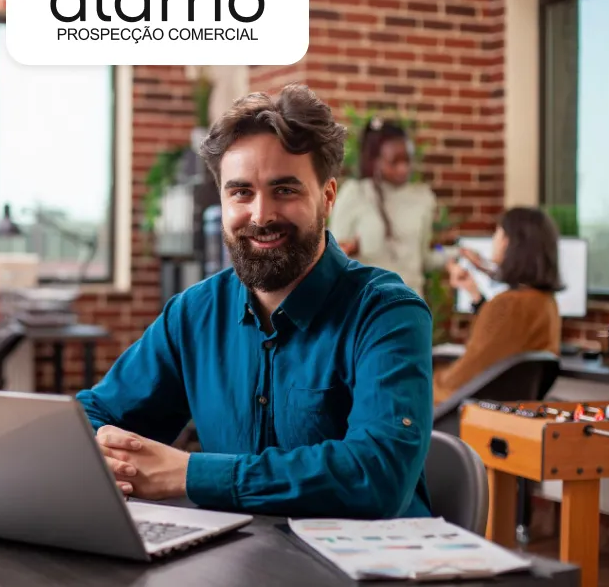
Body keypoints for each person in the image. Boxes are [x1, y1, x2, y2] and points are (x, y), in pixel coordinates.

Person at [76, 84, 435, 518]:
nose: (261, 215)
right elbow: (97, 414)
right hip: (240, 561)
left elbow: (378, 475)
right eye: (241, 192)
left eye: (284, 190)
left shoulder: (387, 313)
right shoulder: (194, 315)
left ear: (327, 197)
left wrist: (189, 474)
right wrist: (102, 452)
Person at [329, 118, 474, 297]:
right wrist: (347, 251)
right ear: (375, 160)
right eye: (395, 161)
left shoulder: (423, 198)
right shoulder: (355, 194)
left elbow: (425, 256)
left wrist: (458, 252)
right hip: (367, 305)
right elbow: (332, 258)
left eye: (408, 160)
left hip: (411, 303)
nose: (403, 168)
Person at [433, 207, 562, 404]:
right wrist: (475, 294)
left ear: (507, 242)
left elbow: (464, 378)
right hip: (504, 414)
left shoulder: (508, 305)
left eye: (497, 232)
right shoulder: (545, 303)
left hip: (469, 414)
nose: (494, 239)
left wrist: (426, 380)